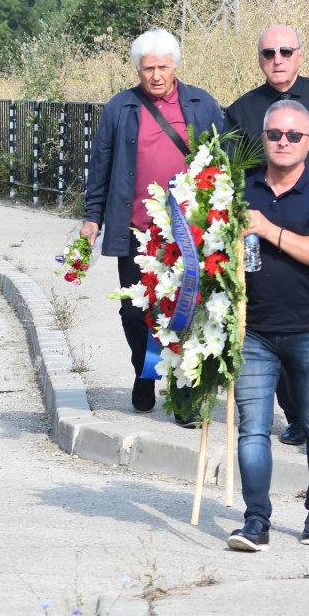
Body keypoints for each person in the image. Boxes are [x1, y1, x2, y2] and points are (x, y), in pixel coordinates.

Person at [225, 24, 309, 450]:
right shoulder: (242, 110)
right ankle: (298, 415)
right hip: (264, 237)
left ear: (300, 55)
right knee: (272, 321)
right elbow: (230, 174)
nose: (278, 59)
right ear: (259, 59)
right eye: (268, 53)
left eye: (286, 51)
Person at [81, 29, 224, 420]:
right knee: (134, 311)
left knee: (185, 311)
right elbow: (101, 166)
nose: (156, 75)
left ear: (175, 66)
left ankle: (182, 393)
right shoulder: (120, 108)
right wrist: (93, 218)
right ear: (138, 70)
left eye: (162, 67)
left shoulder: (202, 104)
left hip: (187, 233)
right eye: (148, 69)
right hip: (136, 232)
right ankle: (145, 372)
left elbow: (222, 162)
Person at [227, 100, 309, 552]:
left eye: (293, 136)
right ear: (263, 139)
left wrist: (267, 228)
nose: (283, 142)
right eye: (275, 134)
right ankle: (255, 520)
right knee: (252, 429)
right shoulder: (241, 189)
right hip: (253, 329)